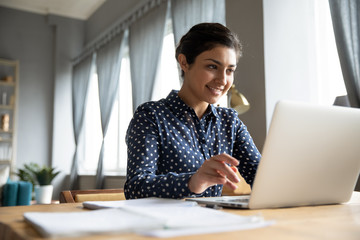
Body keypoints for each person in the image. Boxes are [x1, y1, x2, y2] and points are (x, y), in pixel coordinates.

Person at [124, 23, 261, 199]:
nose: (222, 79)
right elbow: (135, 187)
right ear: (184, 62)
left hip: (214, 222)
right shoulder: (151, 116)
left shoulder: (230, 121)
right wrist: (192, 181)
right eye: (212, 66)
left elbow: (261, 177)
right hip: (165, 223)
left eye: (229, 70)